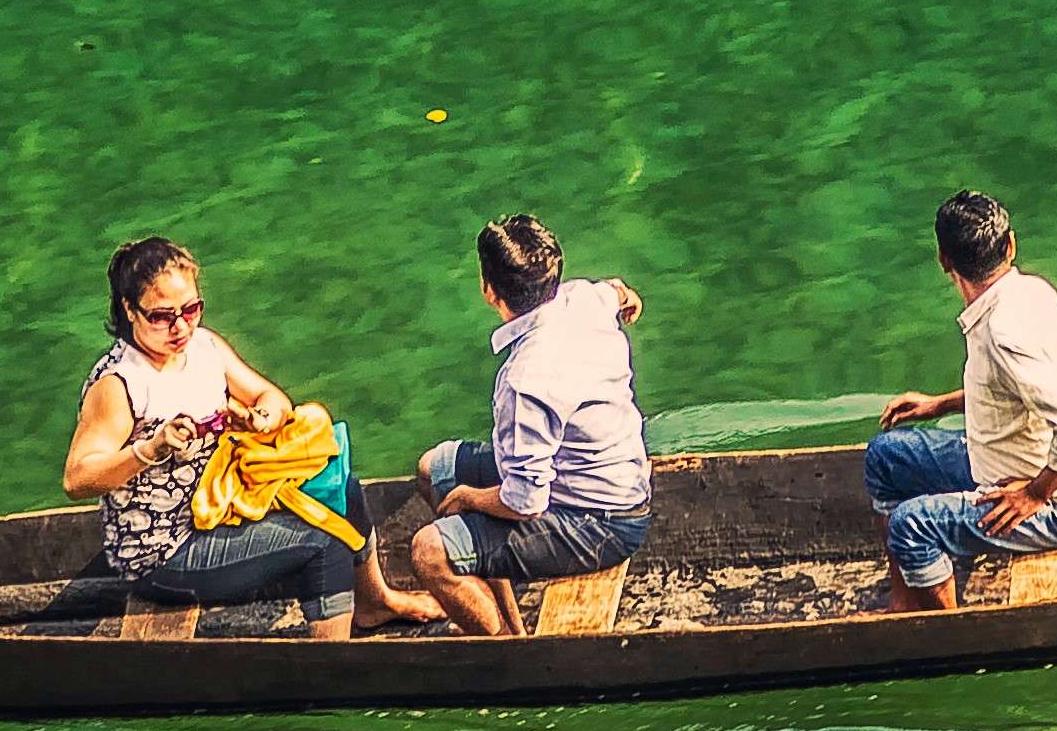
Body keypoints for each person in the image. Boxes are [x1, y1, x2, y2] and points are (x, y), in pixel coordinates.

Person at [62, 236, 365, 634]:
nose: (180, 326)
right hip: (165, 551)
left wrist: (260, 419)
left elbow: (270, 397)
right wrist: (149, 449)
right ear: (129, 311)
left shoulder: (204, 347)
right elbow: (77, 479)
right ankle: (333, 670)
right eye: (161, 316)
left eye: (191, 309)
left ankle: (375, 605)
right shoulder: (121, 384)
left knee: (344, 486)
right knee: (326, 546)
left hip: (222, 508)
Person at [370, 215, 651, 637]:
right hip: (602, 481)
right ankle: (505, 614)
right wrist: (629, 300)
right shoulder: (586, 298)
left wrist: (469, 497)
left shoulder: (525, 381)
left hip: (599, 522)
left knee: (428, 551)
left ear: (489, 290)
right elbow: (620, 293)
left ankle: (503, 649)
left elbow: (526, 502)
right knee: (435, 468)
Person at [861, 190, 1057, 610]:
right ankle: (907, 596)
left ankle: (948, 632)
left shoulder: (1004, 332)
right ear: (1010, 245)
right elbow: (1018, 390)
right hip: (1008, 459)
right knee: (885, 456)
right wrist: (939, 405)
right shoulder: (1031, 292)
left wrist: (1035, 494)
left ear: (944, 261)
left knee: (912, 525)